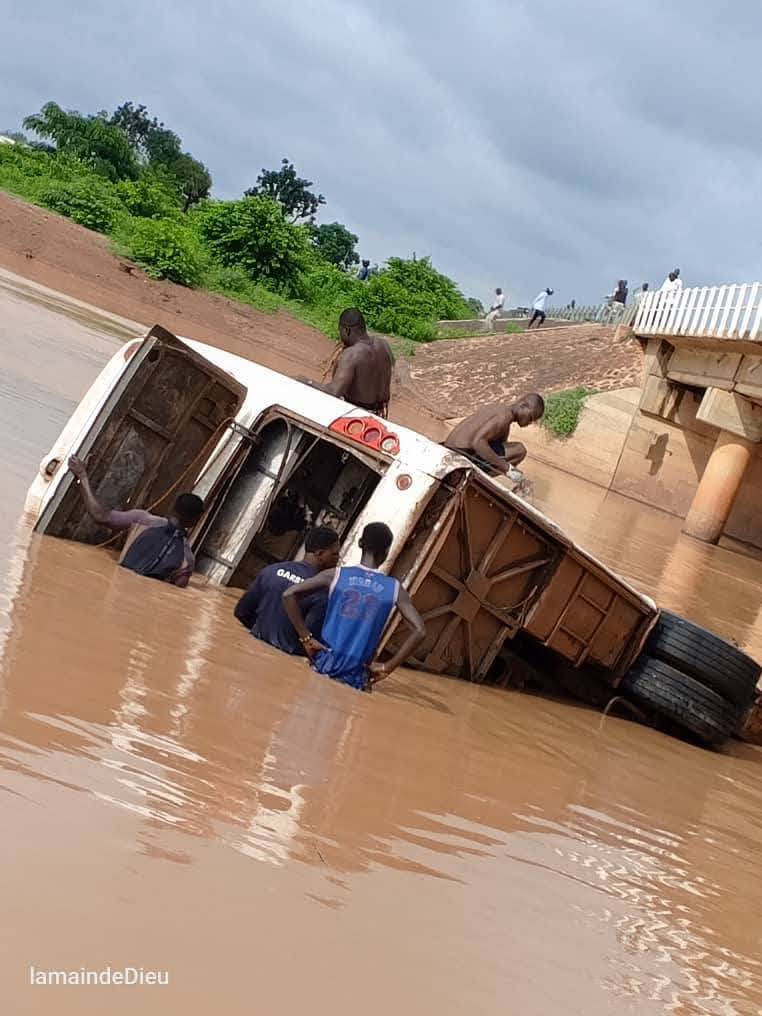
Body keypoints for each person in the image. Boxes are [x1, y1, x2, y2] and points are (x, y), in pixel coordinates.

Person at [282, 522, 426, 691]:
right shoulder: (394, 588)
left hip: (322, 665)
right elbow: (420, 631)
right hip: (357, 677)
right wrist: (388, 667)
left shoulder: (336, 575)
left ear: (360, 543)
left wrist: (306, 638)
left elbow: (288, 595)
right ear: (387, 551)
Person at [67, 455, 204, 587]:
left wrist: (82, 476)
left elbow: (100, 516)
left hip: (114, 586)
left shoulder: (142, 520)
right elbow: (173, 593)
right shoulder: (187, 560)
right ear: (194, 522)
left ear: (173, 509)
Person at [234, 526, 340, 655]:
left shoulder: (271, 571)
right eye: (335, 554)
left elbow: (241, 612)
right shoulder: (321, 591)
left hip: (249, 650)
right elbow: (311, 639)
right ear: (320, 553)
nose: (338, 559)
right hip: (282, 659)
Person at [443, 394, 545, 475]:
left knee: (504, 448)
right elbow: (478, 442)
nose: (529, 423)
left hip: (449, 446)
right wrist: (507, 468)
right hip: (461, 453)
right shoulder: (504, 417)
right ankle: (478, 480)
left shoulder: (500, 409)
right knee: (519, 450)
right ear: (523, 405)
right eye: (531, 418)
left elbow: (500, 445)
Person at [323, 308, 394, 418]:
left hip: (357, 416)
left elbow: (334, 391)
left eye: (340, 331)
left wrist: (307, 382)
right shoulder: (384, 345)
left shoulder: (352, 354)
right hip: (381, 415)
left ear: (347, 330)